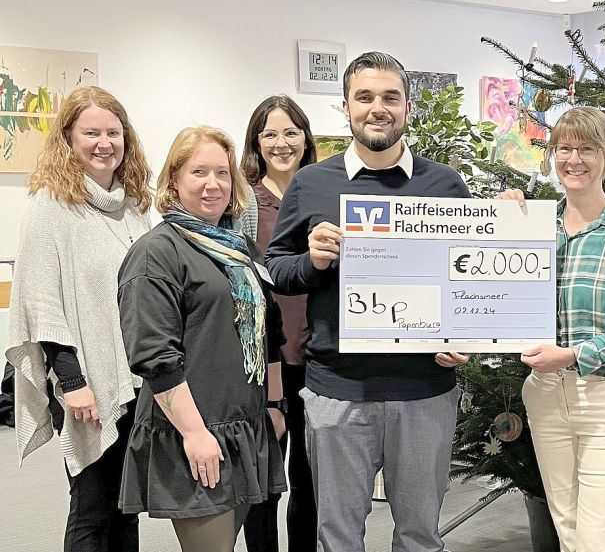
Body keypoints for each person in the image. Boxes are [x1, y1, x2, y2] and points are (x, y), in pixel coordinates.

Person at [265, 51, 471, 552]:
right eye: (365, 97)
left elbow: (469, 279)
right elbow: (275, 268)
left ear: (407, 107)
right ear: (345, 106)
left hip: (424, 389)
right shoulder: (312, 183)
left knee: (421, 535)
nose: (377, 108)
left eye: (390, 97)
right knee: (337, 536)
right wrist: (311, 261)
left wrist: (467, 337)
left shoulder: (444, 184)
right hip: (337, 392)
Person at [498, 106, 605, 552]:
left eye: (587, 148)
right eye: (565, 148)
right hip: (546, 394)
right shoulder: (536, 226)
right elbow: (490, 293)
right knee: (568, 528)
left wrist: (574, 355)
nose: (574, 159)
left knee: (593, 538)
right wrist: (500, 222)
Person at [116, 126, 286, 551]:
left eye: (223, 174)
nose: (214, 185)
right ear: (173, 180)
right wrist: (194, 433)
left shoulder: (239, 247)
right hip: (193, 432)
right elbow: (154, 356)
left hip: (245, 426)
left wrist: (274, 405)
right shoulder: (157, 251)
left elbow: (271, 333)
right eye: (199, 172)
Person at [5, 86, 153, 552]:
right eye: (91, 132)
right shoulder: (50, 207)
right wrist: (72, 381)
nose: (104, 143)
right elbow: (41, 303)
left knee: (127, 506)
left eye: (113, 132)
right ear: (68, 138)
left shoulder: (134, 208)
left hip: (136, 379)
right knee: (90, 508)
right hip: (87, 380)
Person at [239, 94, 318, 552]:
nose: (281, 142)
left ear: (305, 138)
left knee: (310, 480)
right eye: (269, 133)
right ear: (256, 142)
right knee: (266, 480)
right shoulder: (245, 203)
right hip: (266, 360)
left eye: (290, 132)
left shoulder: (324, 193)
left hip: (319, 357)